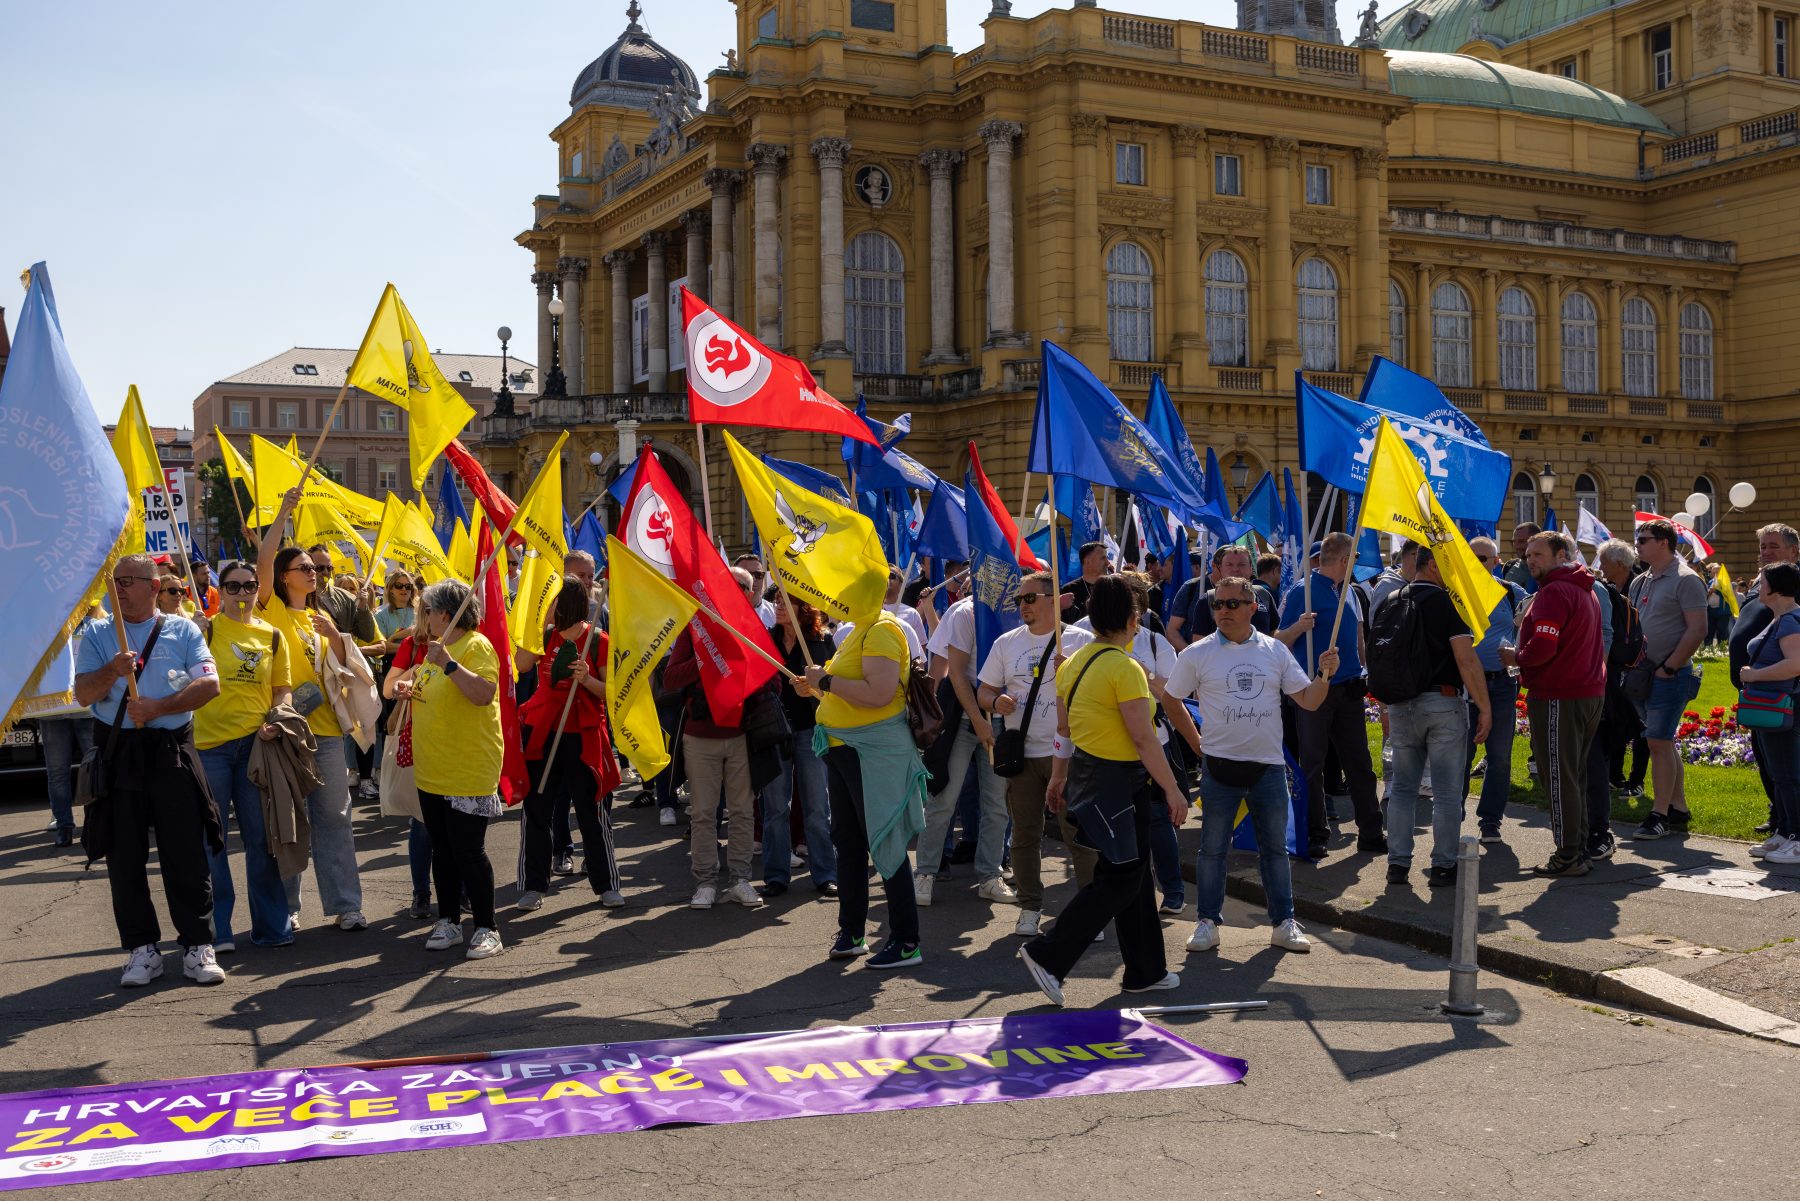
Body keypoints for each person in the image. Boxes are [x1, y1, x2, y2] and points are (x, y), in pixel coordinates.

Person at [1017, 575, 1189, 1005]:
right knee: (1122, 877)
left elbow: (1063, 731)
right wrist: (1173, 789)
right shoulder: (1124, 668)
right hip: (1116, 784)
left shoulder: (1073, 663)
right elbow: (1144, 739)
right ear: (1133, 620)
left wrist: (1058, 777)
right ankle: (1047, 954)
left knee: (1134, 874)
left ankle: (1146, 971)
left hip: (1096, 780)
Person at [1163, 575, 1340, 954]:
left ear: (1252, 608)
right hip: (1219, 768)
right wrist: (1196, 744)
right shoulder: (1196, 653)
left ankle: (1283, 922)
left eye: (1232, 604)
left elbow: (1309, 700)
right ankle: (1207, 922)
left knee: (1275, 850)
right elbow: (1170, 698)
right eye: (1217, 604)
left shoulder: (1274, 650)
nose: (1222, 611)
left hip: (1268, 768)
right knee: (1212, 850)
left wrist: (1325, 675)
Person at [73, 553, 226, 987]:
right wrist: (113, 670)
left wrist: (158, 707)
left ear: (154, 586)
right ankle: (142, 950)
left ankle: (197, 945)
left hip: (170, 749)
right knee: (124, 855)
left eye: (127, 581)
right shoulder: (98, 633)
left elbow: (209, 684)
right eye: (114, 581)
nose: (118, 589)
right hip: (118, 751)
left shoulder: (183, 629)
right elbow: (83, 693)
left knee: (185, 853)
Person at [257, 518, 366, 932]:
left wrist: (335, 636)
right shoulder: (272, 610)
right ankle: (288, 908)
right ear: (284, 577)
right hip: (287, 734)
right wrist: (283, 514)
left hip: (328, 732)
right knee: (290, 820)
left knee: (336, 817)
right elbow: (264, 559)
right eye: (304, 568)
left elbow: (342, 669)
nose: (313, 573)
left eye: (315, 568)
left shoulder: (321, 617)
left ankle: (346, 905)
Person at [805, 607, 928, 970]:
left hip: (872, 752)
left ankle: (906, 942)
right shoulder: (857, 629)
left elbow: (879, 694)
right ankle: (852, 933)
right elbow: (851, 696)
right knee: (848, 841)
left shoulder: (882, 629)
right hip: (844, 750)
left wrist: (826, 682)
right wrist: (816, 687)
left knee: (885, 839)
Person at [977, 571, 1095, 938]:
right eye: (1019, 600)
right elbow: (983, 691)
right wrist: (995, 701)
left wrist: (1072, 673)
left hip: (1071, 754)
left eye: (1030, 598)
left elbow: (1101, 691)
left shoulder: (1081, 640)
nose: (1023, 606)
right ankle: (1030, 907)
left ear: (1053, 600)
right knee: (1025, 835)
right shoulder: (1006, 643)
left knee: (1078, 835)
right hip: (1023, 756)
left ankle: (1090, 911)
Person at [399, 579, 506, 959]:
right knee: (441, 850)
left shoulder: (475, 646)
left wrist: (448, 664)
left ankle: (487, 928)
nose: (424, 616)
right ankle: (448, 920)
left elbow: (483, 694)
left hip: (467, 769)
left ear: (445, 614)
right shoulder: (434, 650)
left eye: (428, 610)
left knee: (468, 851)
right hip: (433, 771)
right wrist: (407, 689)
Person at [194, 559, 295, 952]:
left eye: (249, 586)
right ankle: (218, 931)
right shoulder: (205, 629)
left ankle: (272, 927)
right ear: (221, 590)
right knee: (212, 840)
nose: (241, 593)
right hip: (208, 748)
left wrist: (277, 718)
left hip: (257, 747)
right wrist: (193, 634)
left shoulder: (272, 635)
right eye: (232, 587)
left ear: (257, 589)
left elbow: (282, 689)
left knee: (262, 838)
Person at [1381, 546, 1491, 888]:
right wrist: (1485, 707)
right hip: (1442, 702)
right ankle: (1443, 866)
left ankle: (1397, 864)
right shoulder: (1447, 603)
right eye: (1447, 566)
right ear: (1431, 566)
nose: (1452, 573)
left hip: (1401, 704)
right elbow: (1466, 660)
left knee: (1402, 789)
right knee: (1446, 792)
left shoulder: (1391, 601)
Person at [1076, 572, 1184, 914]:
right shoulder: (1090, 649)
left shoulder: (1153, 644)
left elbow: (1171, 696)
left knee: (1154, 826)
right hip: (1117, 762)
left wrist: (1143, 672)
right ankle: (1061, 940)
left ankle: (1171, 890)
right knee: (1122, 854)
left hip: (1148, 749)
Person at [515, 576, 624, 911]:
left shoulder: (598, 639)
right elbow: (520, 665)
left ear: (565, 603)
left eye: (550, 599)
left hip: (583, 733)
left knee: (592, 811)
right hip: (543, 731)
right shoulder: (545, 635)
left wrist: (586, 678)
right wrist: (535, 625)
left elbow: (611, 692)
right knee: (536, 809)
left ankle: (606, 885)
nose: (546, 604)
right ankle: (533, 886)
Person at [1502, 532, 1606, 876]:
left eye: (1538, 554)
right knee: (1573, 775)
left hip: (1560, 694)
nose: (1530, 560)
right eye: (1528, 555)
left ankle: (1568, 855)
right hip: (1586, 691)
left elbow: (1544, 647)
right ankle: (1579, 848)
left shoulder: (1554, 591)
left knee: (1559, 778)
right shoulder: (1584, 588)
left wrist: (1515, 656)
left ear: (1561, 555)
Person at [665, 566, 769, 910]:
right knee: (703, 814)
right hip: (701, 737)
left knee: (742, 812)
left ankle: (740, 880)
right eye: (729, 584)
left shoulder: (751, 630)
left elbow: (772, 681)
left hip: (741, 734)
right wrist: (707, 658)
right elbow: (670, 679)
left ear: (751, 594)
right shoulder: (694, 628)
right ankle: (706, 882)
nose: (735, 590)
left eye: (743, 586)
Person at [1280, 532, 1381, 858]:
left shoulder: (1349, 590)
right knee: (1313, 763)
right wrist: (1298, 628)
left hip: (1348, 687)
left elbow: (1357, 635)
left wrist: (1364, 668)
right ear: (1344, 560)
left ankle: (1371, 832)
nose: (1356, 563)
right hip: (1314, 688)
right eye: (1354, 558)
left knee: (1359, 763)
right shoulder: (1303, 591)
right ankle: (1315, 834)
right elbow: (1277, 640)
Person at [917, 589, 1015, 905]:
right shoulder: (964, 613)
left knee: (996, 803)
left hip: (1002, 716)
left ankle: (990, 875)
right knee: (944, 799)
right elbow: (955, 672)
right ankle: (925, 873)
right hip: (962, 716)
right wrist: (977, 718)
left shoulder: (1016, 612)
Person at [1627, 519, 1707, 840]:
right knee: (1661, 741)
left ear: (1664, 542)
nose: (1637, 544)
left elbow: (1697, 629)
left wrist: (1670, 667)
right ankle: (1678, 807)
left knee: (1658, 742)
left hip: (1669, 675)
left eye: (1643, 539)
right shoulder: (1641, 580)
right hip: (1643, 675)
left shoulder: (1686, 580)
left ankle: (1658, 814)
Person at [760, 592, 837, 897]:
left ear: (803, 608)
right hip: (774, 731)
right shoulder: (766, 640)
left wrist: (816, 688)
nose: (778, 606)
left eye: (785, 601)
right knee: (776, 808)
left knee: (817, 807)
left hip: (811, 730)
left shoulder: (821, 642)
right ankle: (776, 876)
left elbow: (835, 688)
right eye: (777, 601)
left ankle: (826, 873)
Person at [1729, 524, 1800, 836]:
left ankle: (1791, 830)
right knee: (1770, 762)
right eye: (1762, 547)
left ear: (1793, 551)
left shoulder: (1791, 586)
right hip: (1761, 693)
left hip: (1783, 692)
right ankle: (1780, 819)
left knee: (1786, 767)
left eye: (1773, 546)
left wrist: (1757, 674)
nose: (1766, 552)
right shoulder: (1762, 583)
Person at [1465, 537, 1527, 845]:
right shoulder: (1457, 590)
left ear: (1496, 562)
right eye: (1472, 558)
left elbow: (1531, 620)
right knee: (1460, 755)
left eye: (1483, 559)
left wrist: (1519, 652)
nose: (1477, 564)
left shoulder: (1511, 592)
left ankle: (1490, 821)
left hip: (1501, 683)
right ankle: (1451, 816)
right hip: (1464, 685)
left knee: (1499, 757)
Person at [1167, 546, 1301, 650]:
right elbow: (1199, 645)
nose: (1236, 569)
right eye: (1229, 565)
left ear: (1251, 569)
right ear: (1221, 569)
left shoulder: (1263, 595)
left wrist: (1298, 627)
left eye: (1241, 564)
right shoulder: (1208, 600)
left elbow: (1274, 636)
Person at [368, 570, 418, 801]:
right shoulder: (380, 614)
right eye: (399, 586)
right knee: (391, 721)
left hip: (417, 667)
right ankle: (390, 768)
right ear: (389, 589)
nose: (404, 590)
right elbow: (382, 646)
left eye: (408, 586)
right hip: (392, 670)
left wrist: (397, 640)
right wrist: (408, 643)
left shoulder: (419, 611)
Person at [1059, 541, 1109, 622]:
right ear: (1088, 561)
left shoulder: (1113, 587)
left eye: (1107, 558)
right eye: (1103, 558)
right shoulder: (1069, 590)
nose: (1108, 563)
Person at [1502, 522, 1541, 595]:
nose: (1517, 546)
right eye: (1514, 541)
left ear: (1536, 541)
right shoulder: (1508, 566)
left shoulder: (1546, 570)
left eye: (1521, 541)